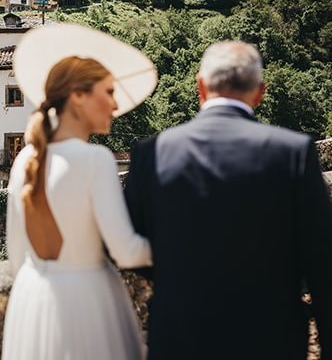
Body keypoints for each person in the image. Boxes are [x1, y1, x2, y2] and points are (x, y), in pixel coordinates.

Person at [124, 41, 332, 360]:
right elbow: (321, 263)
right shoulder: (293, 153)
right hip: (269, 338)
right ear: (260, 92)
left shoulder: (151, 153)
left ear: (200, 86)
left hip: (180, 336)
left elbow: (133, 246)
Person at [3, 23, 157, 360]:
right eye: (109, 92)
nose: (115, 106)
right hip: (86, 301)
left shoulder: (24, 159)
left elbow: (16, 256)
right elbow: (127, 252)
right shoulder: (95, 159)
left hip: (31, 301)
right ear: (78, 95)